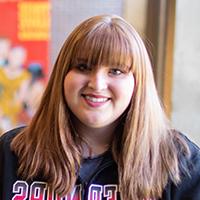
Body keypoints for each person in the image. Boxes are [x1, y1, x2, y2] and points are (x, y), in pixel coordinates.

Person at [0, 14, 200, 200]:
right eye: (83, 67)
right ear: (62, 76)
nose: (97, 84)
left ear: (138, 82)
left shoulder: (180, 162)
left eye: (115, 71)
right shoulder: (12, 152)